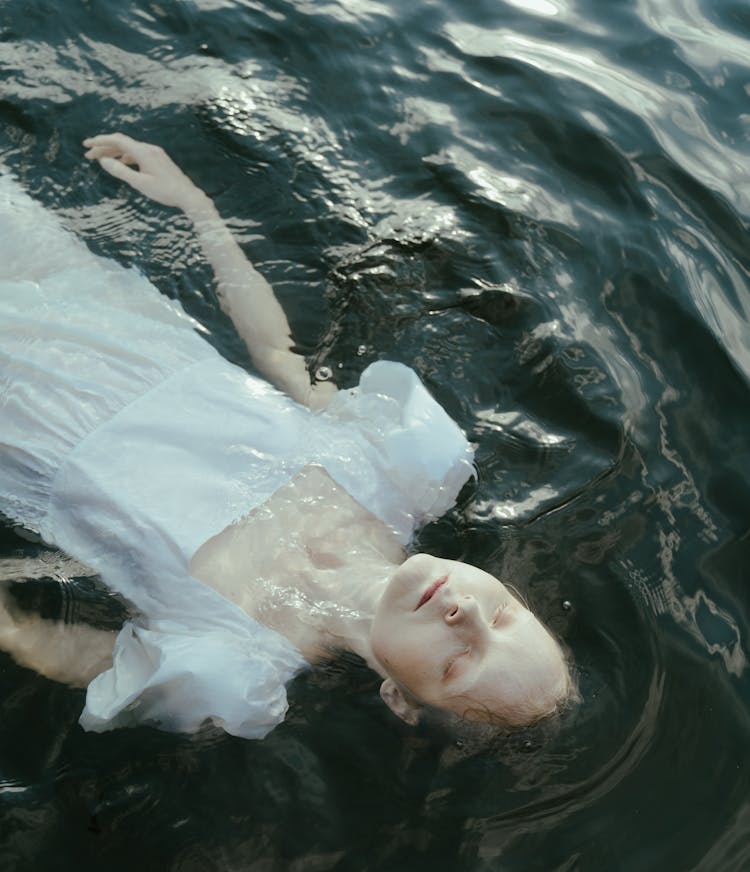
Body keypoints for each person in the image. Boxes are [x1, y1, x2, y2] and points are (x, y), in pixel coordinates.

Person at [0, 134, 571, 739]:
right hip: (77, 295)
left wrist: (11, 628)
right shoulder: (403, 470)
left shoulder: (231, 661)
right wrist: (197, 207)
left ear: (399, 700)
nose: (466, 616)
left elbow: (42, 642)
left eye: (458, 663)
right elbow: (278, 354)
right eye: (502, 615)